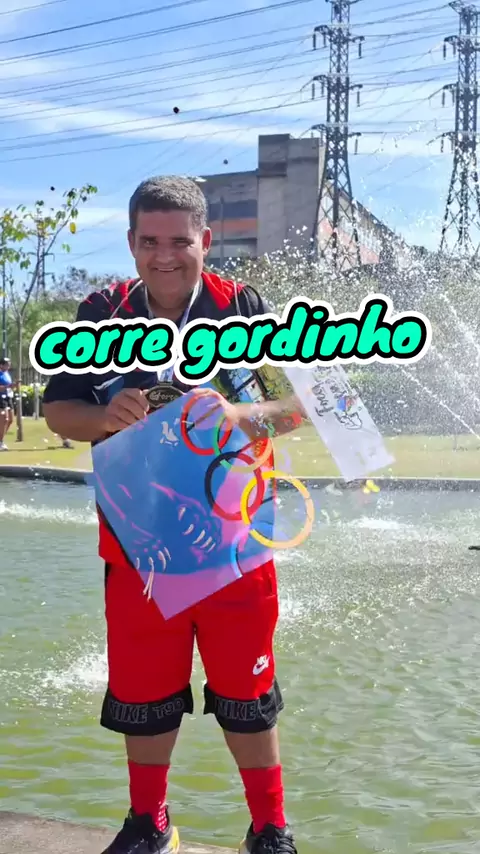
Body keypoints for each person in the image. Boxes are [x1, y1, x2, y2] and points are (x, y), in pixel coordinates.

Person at [42, 176, 303, 854]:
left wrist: (241, 413)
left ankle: (269, 828)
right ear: (131, 242)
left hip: (236, 546)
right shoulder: (99, 313)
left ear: (205, 241)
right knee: (144, 693)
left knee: (247, 694)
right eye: (150, 241)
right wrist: (106, 414)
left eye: (179, 241)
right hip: (138, 548)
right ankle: (149, 823)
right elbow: (59, 412)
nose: (164, 255)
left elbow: (298, 407)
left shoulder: (244, 308)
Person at [0, 356, 13, 450]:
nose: (8, 366)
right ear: (1, 365)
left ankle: (1, 439)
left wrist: (14, 386)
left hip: (8, 397)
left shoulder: (7, 373)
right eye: (7, 364)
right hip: (1, 398)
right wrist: (8, 386)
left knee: (10, 419)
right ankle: (0, 442)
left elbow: (9, 386)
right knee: (5, 419)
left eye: (9, 364)